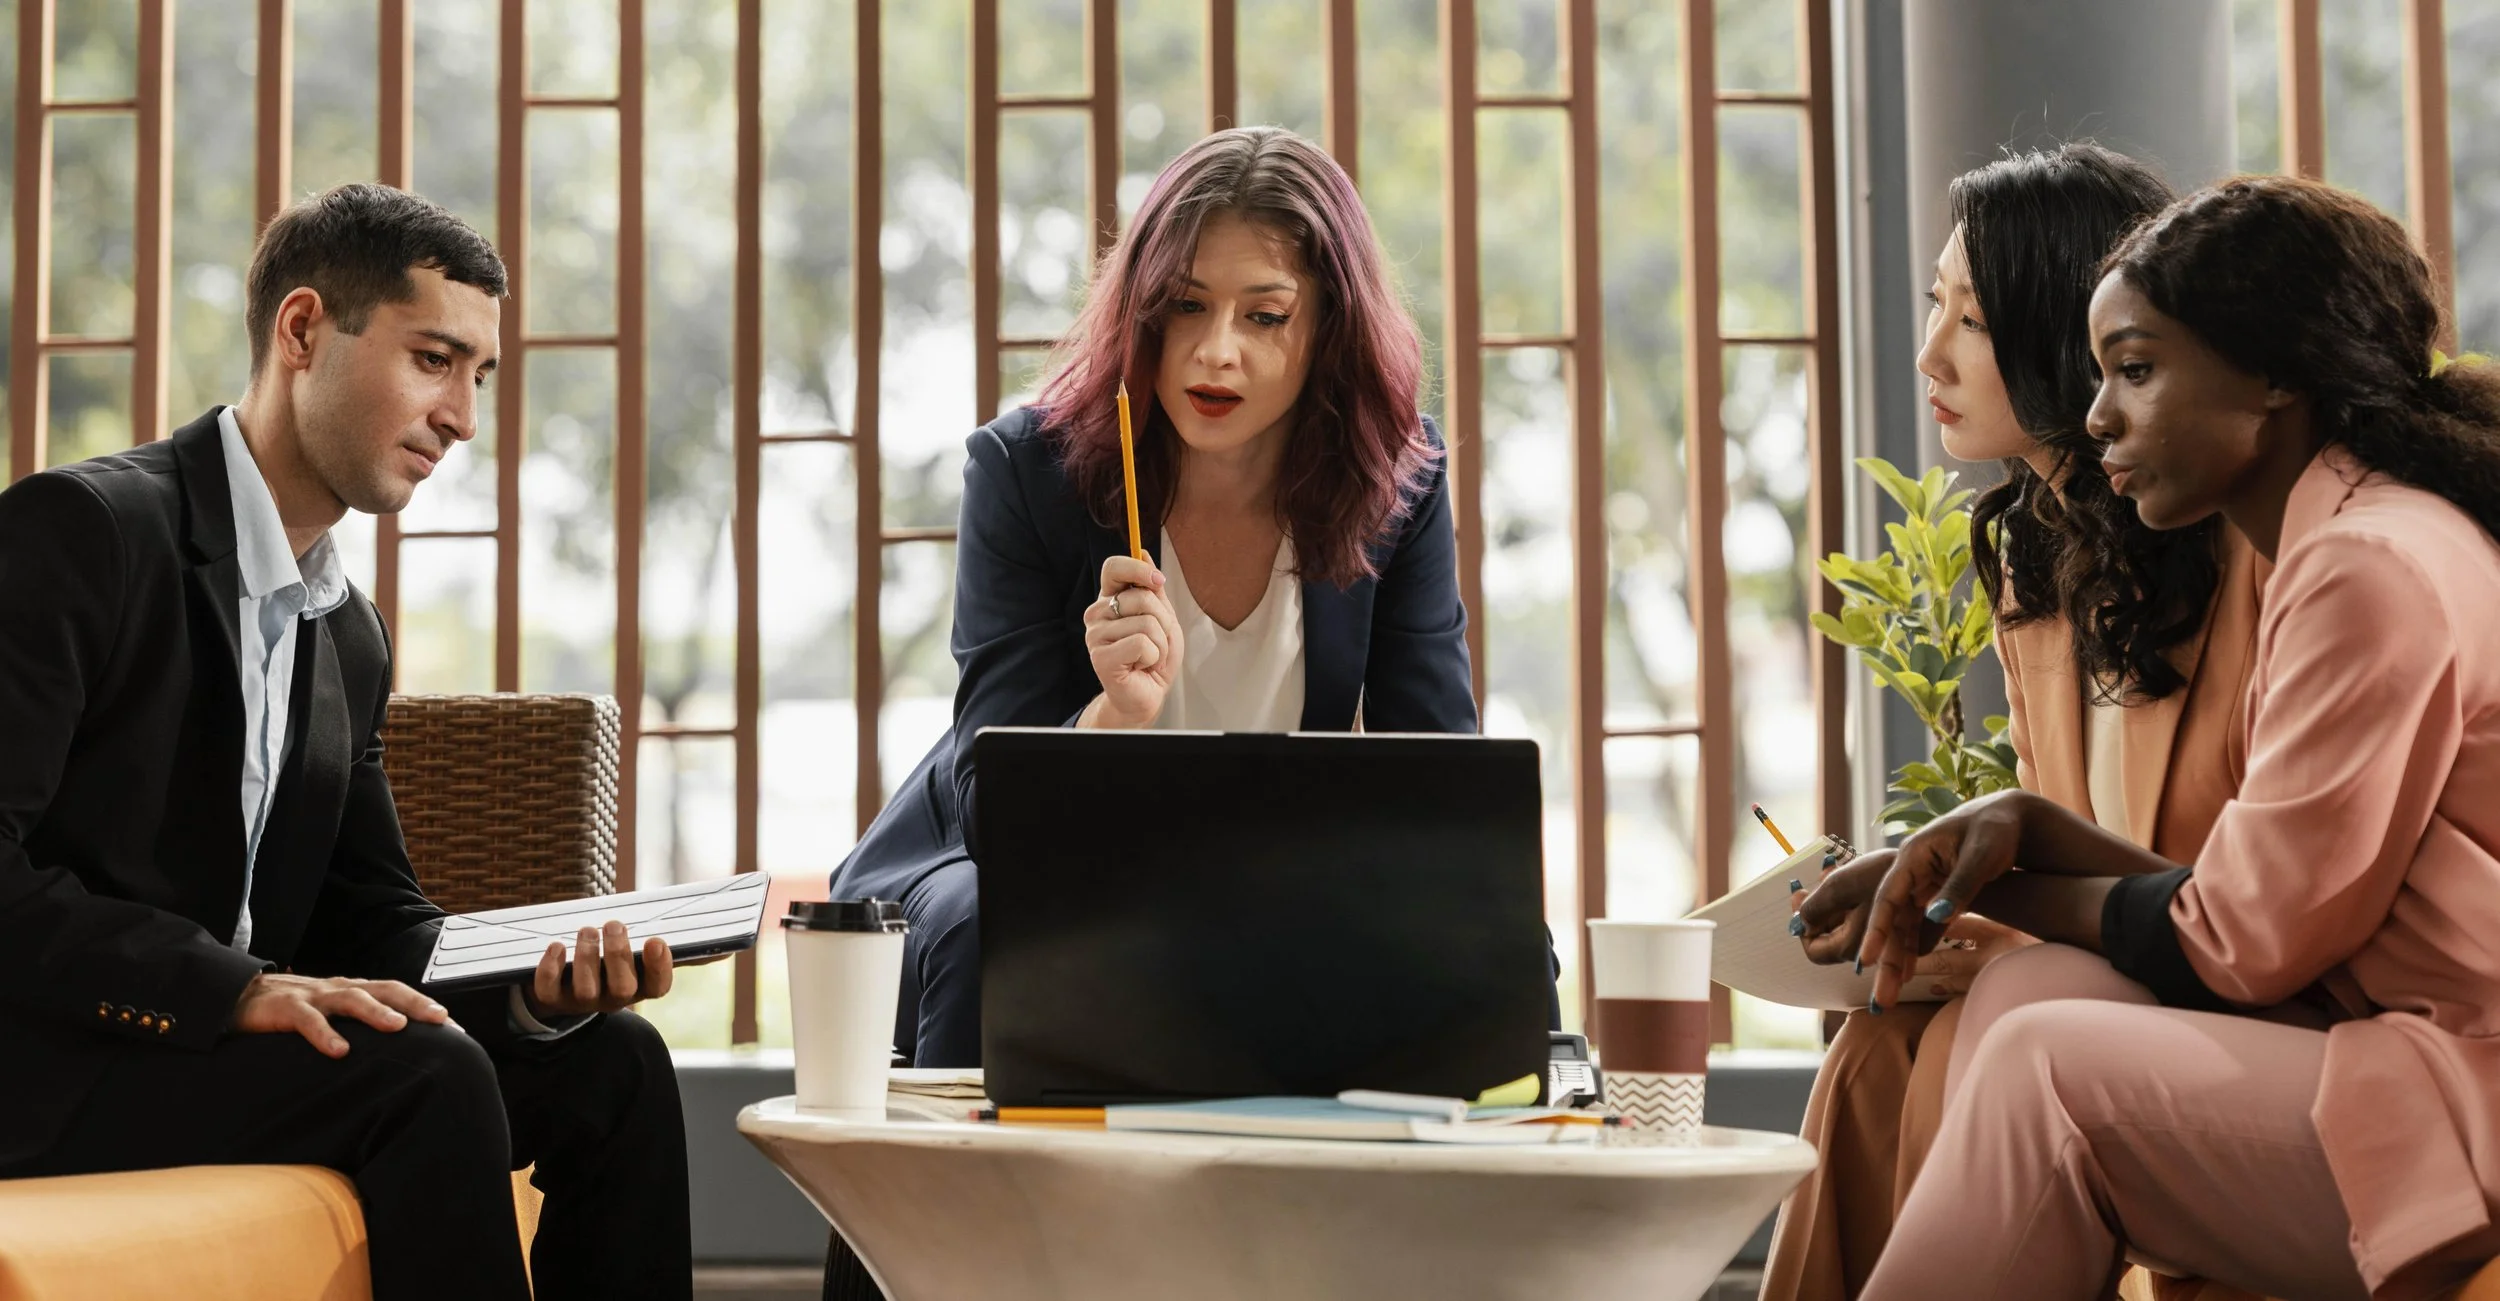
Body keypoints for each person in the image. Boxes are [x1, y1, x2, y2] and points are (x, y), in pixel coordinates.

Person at [0, 183, 693, 1301]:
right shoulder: (82, 533)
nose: (463, 415)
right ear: (304, 329)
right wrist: (231, 988)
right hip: (52, 1057)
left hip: (209, 1059)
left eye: (480, 375)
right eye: (434, 359)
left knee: (611, 1062)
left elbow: (374, 922)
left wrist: (537, 996)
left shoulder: (347, 635)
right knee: (422, 1078)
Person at [1818, 176, 2500, 1300]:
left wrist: (2000, 873)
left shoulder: (2361, 566)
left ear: (2276, 376)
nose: (2096, 419)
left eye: (2134, 370)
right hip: (2400, 1047)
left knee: (2051, 1068)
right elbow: (2267, 910)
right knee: (2026, 1000)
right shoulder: (2369, 531)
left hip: (2458, 1093)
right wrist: (2023, 831)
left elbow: (2241, 943)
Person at [826, 125, 1476, 1074]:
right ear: (1142, 310)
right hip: (1002, 859)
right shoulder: (1025, 470)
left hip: (1251, 867)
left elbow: (1449, 788)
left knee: (1492, 935)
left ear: (1329, 327)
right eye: (1185, 306)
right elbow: (994, 813)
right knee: (994, 922)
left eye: (1265, 316)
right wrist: (1109, 716)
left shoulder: (1394, 481)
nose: (1215, 353)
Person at [1762, 143, 2268, 1301]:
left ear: (2064, 331)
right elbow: (2064, 854)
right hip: (2122, 972)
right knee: (1880, 1041)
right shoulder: (2036, 566)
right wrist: (1945, 922)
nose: (1931, 351)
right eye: (1935, 304)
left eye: (1972, 320)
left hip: (2249, 990)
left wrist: (1994, 915)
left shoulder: (2245, 558)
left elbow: (2236, 899)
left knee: (1992, 1015)